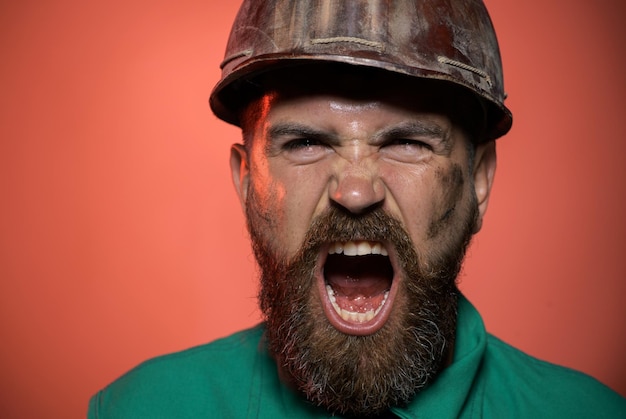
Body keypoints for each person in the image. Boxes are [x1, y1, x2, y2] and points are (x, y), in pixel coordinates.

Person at [88, 1, 626, 417]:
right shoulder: (138, 411)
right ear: (247, 178)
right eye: (304, 142)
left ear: (479, 182)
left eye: (408, 142)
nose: (354, 190)